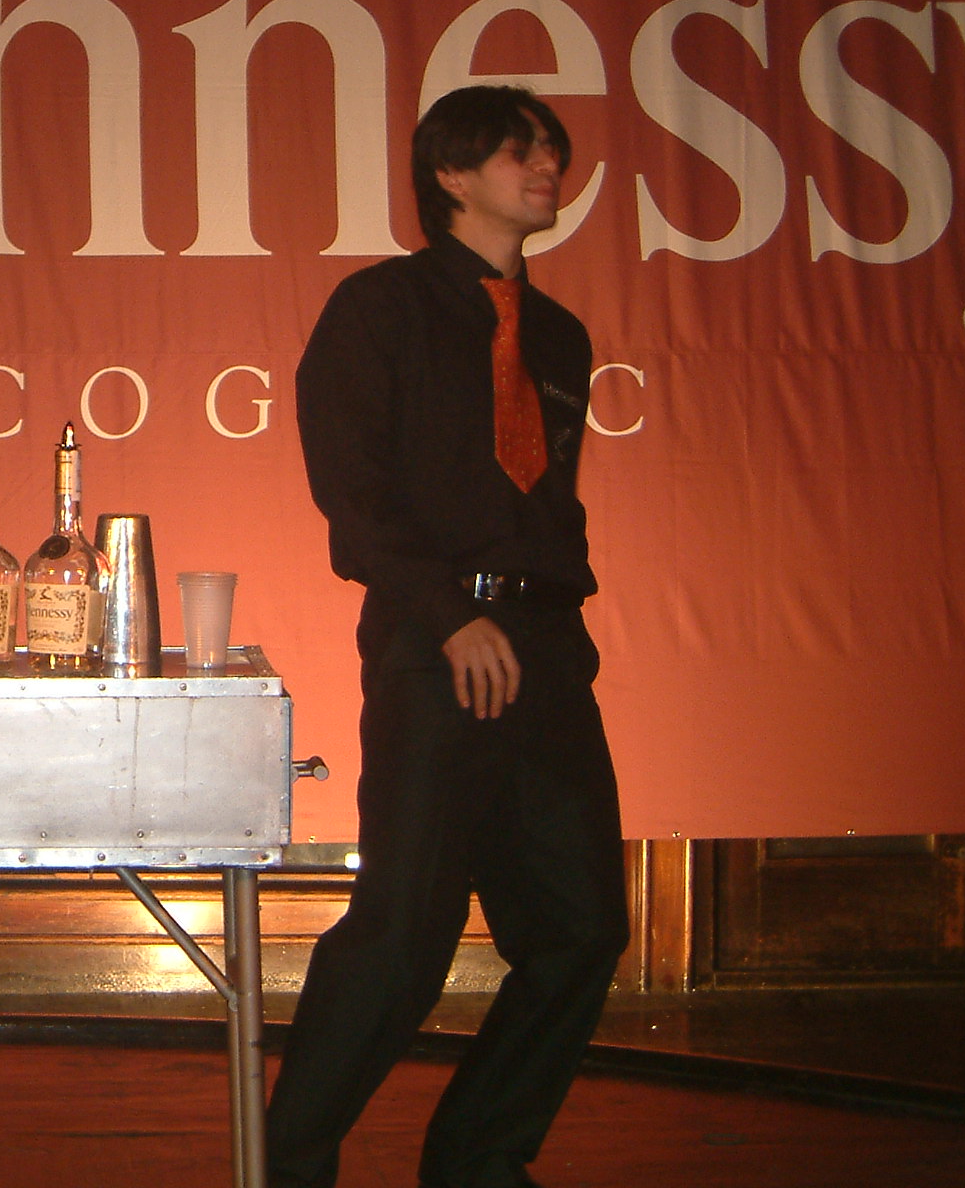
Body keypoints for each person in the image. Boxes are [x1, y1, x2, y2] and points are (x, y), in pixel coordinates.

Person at [266, 86, 629, 1188]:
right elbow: (352, 493)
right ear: (451, 176)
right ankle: (285, 1164)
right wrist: (448, 613)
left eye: (552, 150)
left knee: (579, 931)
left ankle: (478, 1162)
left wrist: (554, 630)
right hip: (438, 644)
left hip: (544, 648)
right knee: (405, 934)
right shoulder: (379, 308)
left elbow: (545, 503)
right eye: (520, 150)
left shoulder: (556, 333)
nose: (546, 166)